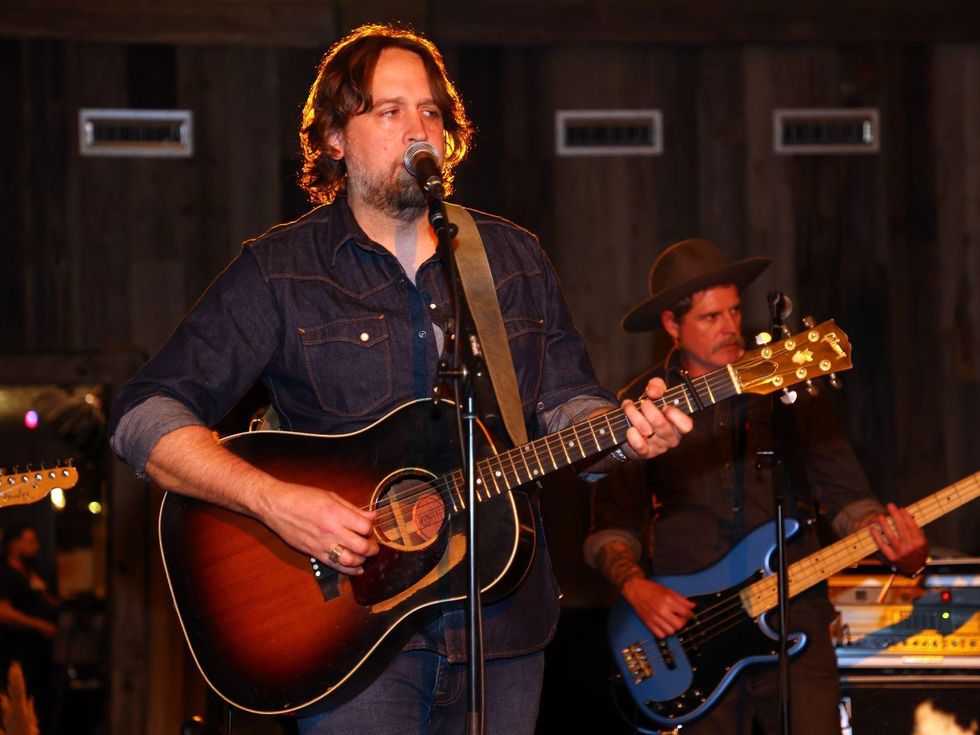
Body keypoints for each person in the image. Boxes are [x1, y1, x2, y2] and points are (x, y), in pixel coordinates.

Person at [108, 24, 692, 735]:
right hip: (347, 633)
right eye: (389, 110)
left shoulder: (511, 259)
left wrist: (625, 437)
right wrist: (274, 500)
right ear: (333, 137)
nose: (418, 128)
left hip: (502, 629)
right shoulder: (281, 270)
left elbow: (564, 403)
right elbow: (143, 414)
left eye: (431, 112)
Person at [584, 238, 929, 734]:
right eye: (709, 317)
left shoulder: (787, 385)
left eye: (734, 311)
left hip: (795, 615)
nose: (729, 327)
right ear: (671, 326)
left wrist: (888, 535)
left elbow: (845, 495)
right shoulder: (640, 405)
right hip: (690, 630)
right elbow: (609, 530)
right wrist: (636, 587)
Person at [0, 522, 60, 729]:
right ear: (13, 545)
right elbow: (3, 612)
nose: (36, 547)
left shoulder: (31, 574)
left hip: (38, 656)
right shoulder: (6, 574)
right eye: (29, 542)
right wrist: (39, 625)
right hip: (15, 654)